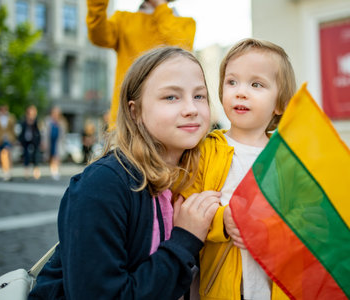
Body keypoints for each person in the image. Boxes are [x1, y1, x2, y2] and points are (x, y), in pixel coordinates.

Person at [28, 46, 220, 299]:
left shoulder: (199, 176)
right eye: (171, 97)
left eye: (199, 96)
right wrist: (185, 239)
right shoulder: (103, 185)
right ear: (135, 111)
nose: (191, 109)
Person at [182, 38, 297, 299]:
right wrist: (223, 220)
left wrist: (275, 230)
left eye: (256, 84)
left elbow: (307, 217)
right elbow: (185, 204)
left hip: (274, 287)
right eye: (232, 82)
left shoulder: (288, 159)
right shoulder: (206, 149)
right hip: (222, 287)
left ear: (279, 103)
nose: (240, 92)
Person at [86, 0, 196, 129]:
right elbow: (98, 36)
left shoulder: (185, 23)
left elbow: (181, 48)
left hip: (169, 119)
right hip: (126, 120)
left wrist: (159, 5)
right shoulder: (124, 19)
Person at [43, 106, 67, 180]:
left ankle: (55, 171)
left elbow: (63, 134)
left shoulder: (62, 122)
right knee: (51, 157)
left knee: (56, 156)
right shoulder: (48, 121)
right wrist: (43, 142)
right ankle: (53, 170)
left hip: (58, 142)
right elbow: (44, 132)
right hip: (50, 141)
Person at [18, 105, 41, 180]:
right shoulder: (24, 121)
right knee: (26, 156)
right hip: (26, 140)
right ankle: (26, 173)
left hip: (34, 141)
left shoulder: (36, 121)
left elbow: (39, 132)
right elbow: (21, 131)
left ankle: (36, 171)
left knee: (35, 156)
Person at [0, 104, 17, 181]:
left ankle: (8, 171)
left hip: (8, 138)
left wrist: (14, 139)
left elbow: (13, 129)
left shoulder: (11, 117)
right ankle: (5, 170)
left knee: (6, 153)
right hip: (0, 139)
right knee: (2, 156)